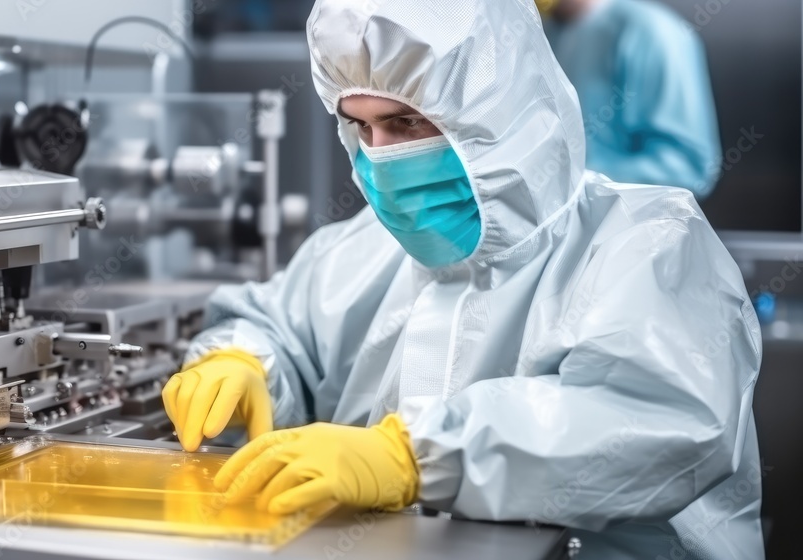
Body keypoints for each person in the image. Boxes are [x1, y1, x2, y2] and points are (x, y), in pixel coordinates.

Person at [162, 1, 764, 558]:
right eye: (360, 128)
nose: (381, 156)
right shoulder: (362, 247)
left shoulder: (649, 243)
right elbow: (280, 328)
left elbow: (659, 423)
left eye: (406, 123)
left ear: (496, 112)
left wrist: (414, 458)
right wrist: (242, 363)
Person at [540, 0, 723, 197]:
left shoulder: (652, 31)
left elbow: (686, 168)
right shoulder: (544, 32)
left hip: (629, 223)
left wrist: (572, 182)